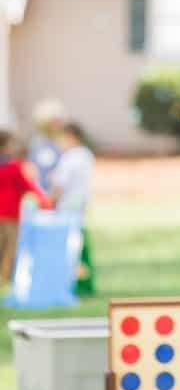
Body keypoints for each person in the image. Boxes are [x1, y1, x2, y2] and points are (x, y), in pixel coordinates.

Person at [0, 129, 52, 285]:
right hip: (10, 213)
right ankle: (4, 277)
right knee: (10, 248)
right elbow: (27, 186)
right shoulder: (14, 167)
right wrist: (44, 201)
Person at [50, 122, 97, 295]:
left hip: (66, 209)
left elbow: (59, 186)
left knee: (71, 250)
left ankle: (74, 284)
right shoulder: (86, 155)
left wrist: (51, 203)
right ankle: (85, 283)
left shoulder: (69, 158)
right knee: (81, 248)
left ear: (71, 136)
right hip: (79, 207)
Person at [28, 98, 67, 190]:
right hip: (44, 190)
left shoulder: (61, 141)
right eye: (55, 121)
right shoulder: (39, 143)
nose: (59, 124)